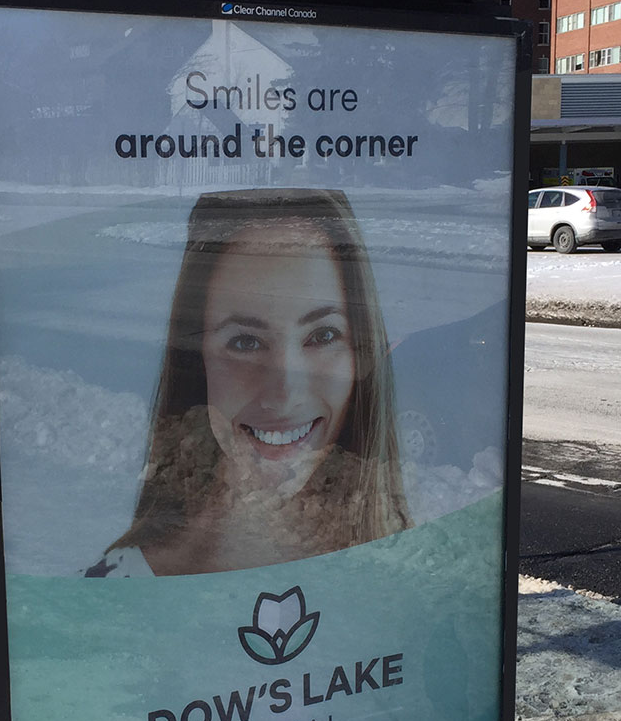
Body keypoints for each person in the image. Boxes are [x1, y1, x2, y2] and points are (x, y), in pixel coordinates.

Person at [86, 188, 412, 577]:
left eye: (323, 336)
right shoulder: (109, 600)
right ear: (196, 362)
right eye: (245, 341)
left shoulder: (424, 595)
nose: (285, 393)